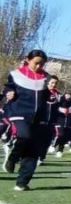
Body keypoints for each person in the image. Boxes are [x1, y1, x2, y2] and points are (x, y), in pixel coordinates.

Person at [2, 50, 51, 190]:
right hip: (19, 112)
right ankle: (12, 157)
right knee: (24, 135)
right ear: (28, 60)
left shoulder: (45, 77)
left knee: (33, 150)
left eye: (42, 64)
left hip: (38, 117)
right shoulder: (16, 74)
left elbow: (46, 95)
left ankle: (22, 182)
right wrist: (8, 93)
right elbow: (8, 87)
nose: (39, 66)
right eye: (36, 63)